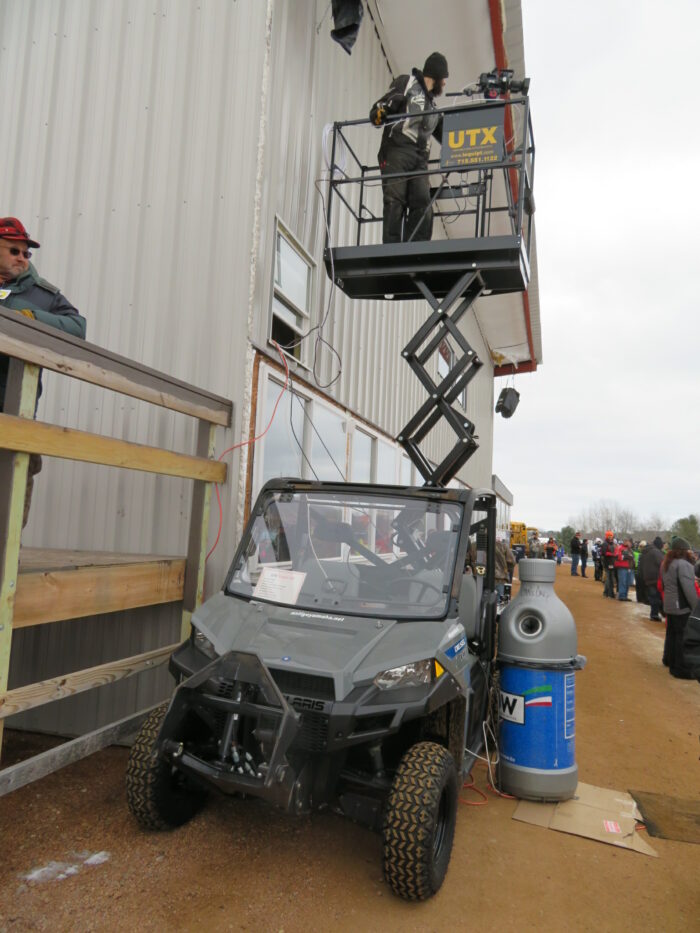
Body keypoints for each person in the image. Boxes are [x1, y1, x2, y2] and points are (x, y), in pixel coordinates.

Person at [0, 216, 86, 525]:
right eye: (14, 251)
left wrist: (31, 318)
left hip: (12, 412)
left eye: (26, 253)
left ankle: (6, 564)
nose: (22, 259)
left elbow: (78, 328)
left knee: (10, 497)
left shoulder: (42, 295)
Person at [370, 52, 448, 244]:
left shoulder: (433, 107)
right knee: (394, 200)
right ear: (436, 75)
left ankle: (417, 249)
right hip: (398, 150)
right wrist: (378, 113)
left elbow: (448, 135)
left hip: (420, 159)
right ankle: (392, 249)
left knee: (423, 202)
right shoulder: (407, 83)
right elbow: (385, 103)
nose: (445, 84)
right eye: (444, 78)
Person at [660, 536, 698, 678]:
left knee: (672, 634)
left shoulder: (667, 563)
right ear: (683, 551)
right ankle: (680, 668)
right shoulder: (684, 565)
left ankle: (669, 659)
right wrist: (696, 607)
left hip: (670, 604)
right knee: (681, 636)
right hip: (681, 606)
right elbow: (689, 589)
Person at [639, 537, 664, 621]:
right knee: (656, 597)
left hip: (647, 577)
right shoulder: (656, 552)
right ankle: (655, 614)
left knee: (653, 596)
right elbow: (662, 563)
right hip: (655, 577)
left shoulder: (645, 551)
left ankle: (654, 614)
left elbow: (641, 565)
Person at [494, 537, 515, 602]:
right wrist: (506, 570)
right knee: (500, 601)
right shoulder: (503, 546)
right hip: (500, 578)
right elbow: (512, 562)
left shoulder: (480, 545)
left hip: (483, 579)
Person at [601, 530, 618, 598]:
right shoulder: (605, 544)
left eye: (611, 536)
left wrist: (615, 554)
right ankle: (608, 593)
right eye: (609, 536)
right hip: (608, 563)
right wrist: (612, 554)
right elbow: (603, 553)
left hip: (612, 562)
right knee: (609, 578)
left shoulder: (612, 544)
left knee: (611, 578)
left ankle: (607, 592)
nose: (611, 537)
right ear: (607, 536)